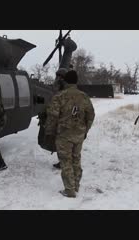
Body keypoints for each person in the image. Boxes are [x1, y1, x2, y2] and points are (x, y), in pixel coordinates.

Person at [45, 70, 95, 198]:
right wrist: (85, 130)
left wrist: (50, 132)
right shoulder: (84, 96)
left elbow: (52, 117)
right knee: (76, 159)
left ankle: (69, 190)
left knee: (66, 162)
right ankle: (76, 185)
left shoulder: (59, 96)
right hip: (79, 135)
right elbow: (91, 115)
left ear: (65, 81)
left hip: (64, 135)